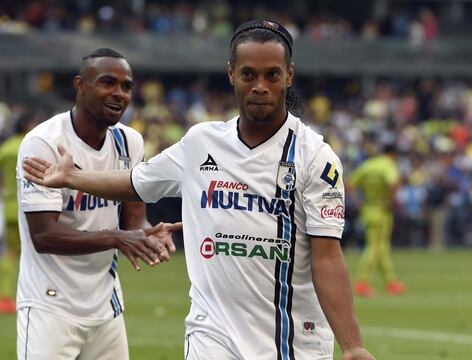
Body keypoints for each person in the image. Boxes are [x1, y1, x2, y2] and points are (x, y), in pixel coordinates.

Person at [23, 21, 374, 360]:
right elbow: (135, 182)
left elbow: (327, 257)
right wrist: (73, 178)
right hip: (211, 332)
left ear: (289, 76)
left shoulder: (315, 157)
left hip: (289, 336)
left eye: (272, 75)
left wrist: (353, 344)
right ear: (231, 73)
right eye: (249, 74)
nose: (260, 86)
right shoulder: (201, 142)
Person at [16, 48, 180, 359]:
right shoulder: (44, 143)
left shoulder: (129, 141)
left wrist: (148, 235)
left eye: (127, 86)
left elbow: (134, 219)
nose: (119, 94)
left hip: (106, 305)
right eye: (108, 83)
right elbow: (44, 237)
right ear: (80, 84)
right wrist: (117, 238)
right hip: (50, 304)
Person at [348, 143, 407, 297]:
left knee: (382, 248)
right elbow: (393, 182)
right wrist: (390, 201)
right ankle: (361, 282)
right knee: (374, 248)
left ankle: (391, 282)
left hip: (368, 208)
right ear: (393, 154)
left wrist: (358, 203)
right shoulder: (388, 165)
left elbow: (349, 183)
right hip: (382, 210)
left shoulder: (367, 165)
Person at [0, 113, 39, 313]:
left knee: (9, 253)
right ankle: (34, 295)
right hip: (34, 206)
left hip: (9, 207)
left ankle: (4, 297)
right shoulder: (33, 145)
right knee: (36, 253)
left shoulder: (5, 149)